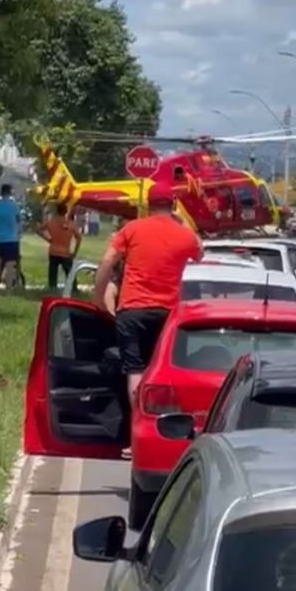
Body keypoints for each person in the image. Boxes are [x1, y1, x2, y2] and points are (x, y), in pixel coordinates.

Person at [93, 183, 202, 436]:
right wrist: (182, 222)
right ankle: (162, 432)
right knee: (162, 370)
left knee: (135, 369)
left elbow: (108, 260)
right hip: (167, 313)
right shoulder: (183, 235)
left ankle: (138, 434)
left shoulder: (132, 229)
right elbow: (200, 250)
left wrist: (98, 296)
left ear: (148, 205)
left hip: (132, 310)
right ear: (173, 205)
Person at [37, 203, 83, 291]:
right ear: (66, 211)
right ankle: (73, 289)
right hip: (65, 252)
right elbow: (79, 238)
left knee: (52, 273)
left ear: (56, 211)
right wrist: (75, 252)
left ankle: (52, 288)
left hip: (53, 251)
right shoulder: (70, 224)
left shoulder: (51, 222)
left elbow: (38, 230)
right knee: (69, 273)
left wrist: (48, 239)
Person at [0, 184, 22, 289]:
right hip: (11, 239)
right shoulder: (14, 206)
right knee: (10, 264)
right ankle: (8, 287)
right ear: (10, 192)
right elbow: (18, 220)